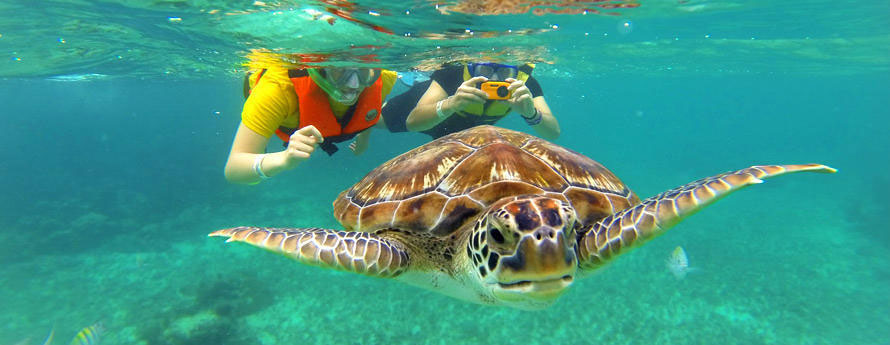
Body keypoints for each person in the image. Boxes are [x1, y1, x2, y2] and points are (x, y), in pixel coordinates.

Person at [224, 66, 398, 184]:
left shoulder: (383, 76)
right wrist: (283, 160)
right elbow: (234, 169)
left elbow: (370, 107)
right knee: (252, 178)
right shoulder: (277, 89)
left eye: (363, 71)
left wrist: (363, 136)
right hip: (283, 116)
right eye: (340, 70)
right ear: (316, 68)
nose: (354, 84)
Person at [381, 62, 559, 140]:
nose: (492, 79)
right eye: (485, 71)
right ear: (473, 68)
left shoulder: (523, 85)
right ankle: (416, 79)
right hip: (422, 105)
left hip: (457, 135)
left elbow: (553, 133)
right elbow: (413, 122)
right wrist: (451, 103)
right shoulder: (453, 75)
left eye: (505, 73)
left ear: (515, 71)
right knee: (371, 120)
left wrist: (531, 114)